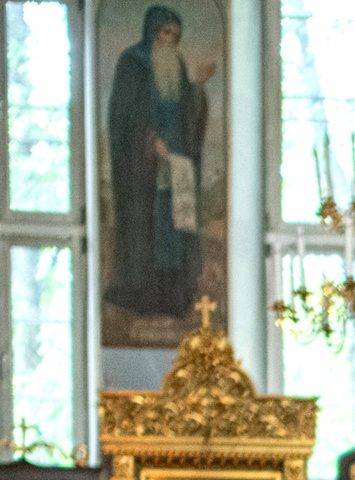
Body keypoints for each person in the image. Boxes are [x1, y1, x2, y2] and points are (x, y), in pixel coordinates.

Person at [106, 6, 216, 323]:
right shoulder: (133, 64)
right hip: (143, 170)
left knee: (172, 229)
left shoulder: (176, 65)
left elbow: (186, 111)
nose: (169, 41)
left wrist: (197, 88)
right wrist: (148, 139)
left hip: (174, 167)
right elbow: (122, 116)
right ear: (152, 33)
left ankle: (172, 295)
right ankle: (140, 293)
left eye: (175, 36)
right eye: (165, 33)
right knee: (146, 229)